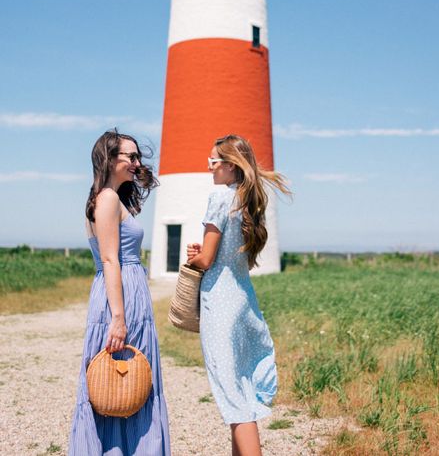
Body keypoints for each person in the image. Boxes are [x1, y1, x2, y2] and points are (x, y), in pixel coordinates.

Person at [187, 134, 290, 456]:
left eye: (213, 163)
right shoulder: (247, 201)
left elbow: (207, 260)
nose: (210, 169)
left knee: (233, 398)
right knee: (242, 392)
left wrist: (196, 256)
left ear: (230, 166)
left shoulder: (219, 198)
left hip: (220, 304)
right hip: (243, 300)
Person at [69, 129, 171, 456]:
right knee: (124, 381)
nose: (137, 163)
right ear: (110, 159)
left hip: (124, 293)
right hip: (120, 297)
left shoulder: (107, 196)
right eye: (131, 156)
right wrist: (118, 317)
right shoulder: (108, 198)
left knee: (125, 384)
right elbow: (110, 258)